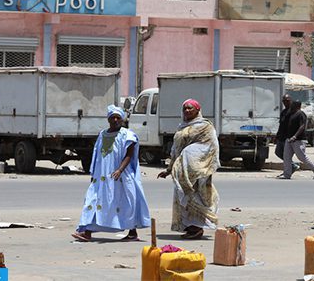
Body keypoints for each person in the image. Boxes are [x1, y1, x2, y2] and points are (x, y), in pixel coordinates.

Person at [72, 105, 151, 242]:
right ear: (108, 119)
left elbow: (129, 155)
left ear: (122, 120)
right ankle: (87, 232)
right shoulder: (102, 134)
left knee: (125, 203)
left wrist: (120, 170)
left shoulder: (127, 135)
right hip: (101, 177)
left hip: (120, 176)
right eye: (112, 117)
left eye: (118, 118)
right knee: (93, 200)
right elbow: (97, 155)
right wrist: (93, 174)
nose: (115, 120)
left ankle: (132, 233)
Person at [157, 99, 220, 239]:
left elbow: (212, 146)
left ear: (197, 110)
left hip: (199, 170)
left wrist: (193, 155)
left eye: (190, 108)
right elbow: (176, 150)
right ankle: (191, 227)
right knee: (184, 198)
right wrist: (168, 169)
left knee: (199, 197)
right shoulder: (181, 127)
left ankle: (197, 228)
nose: (186, 111)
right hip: (183, 172)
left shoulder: (205, 126)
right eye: (184, 108)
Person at [277, 100, 314, 180]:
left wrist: (295, 136)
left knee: (302, 157)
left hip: (298, 140)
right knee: (286, 157)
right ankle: (287, 174)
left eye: (293, 104)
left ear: (297, 105)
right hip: (289, 139)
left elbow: (302, 126)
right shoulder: (291, 113)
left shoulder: (301, 114)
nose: (291, 105)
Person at [275, 94, 299, 172]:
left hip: (287, 137)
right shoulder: (283, 112)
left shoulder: (293, 112)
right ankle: (292, 165)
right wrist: (277, 135)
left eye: (287, 101)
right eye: (284, 101)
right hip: (281, 136)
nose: (286, 102)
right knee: (278, 152)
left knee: (286, 155)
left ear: (291, 101)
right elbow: (281, 124)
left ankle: (289, 170)